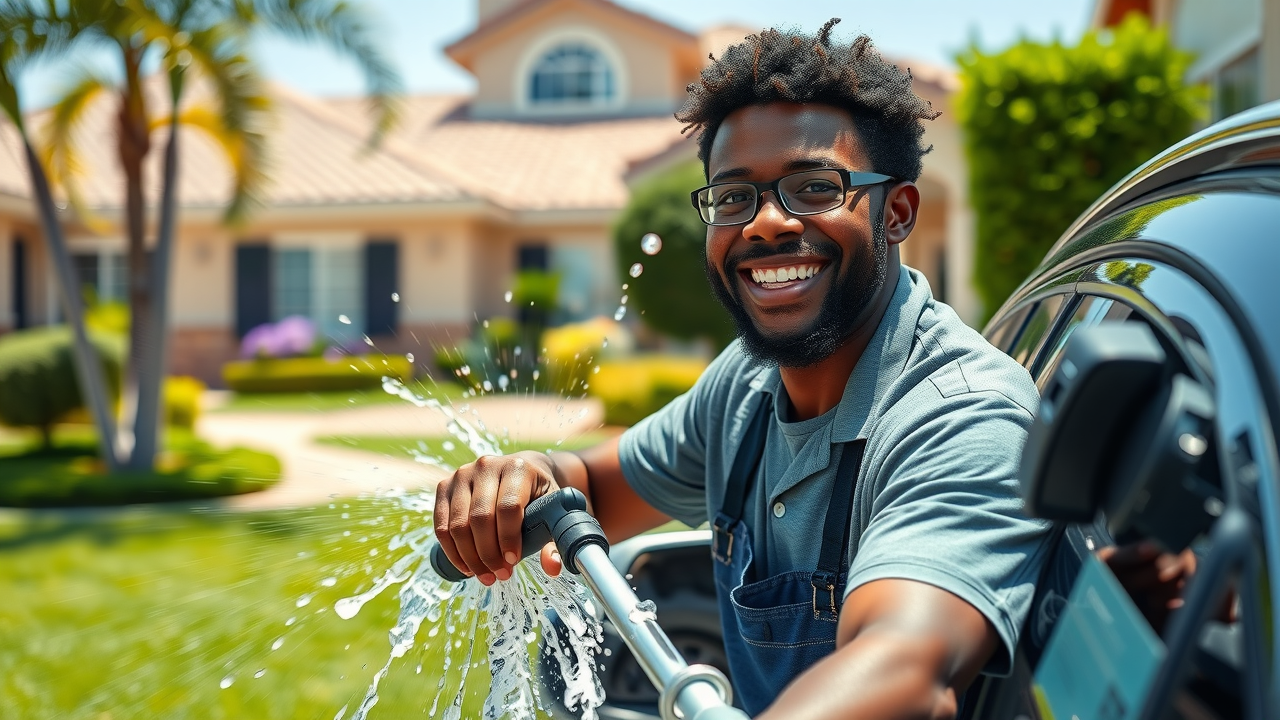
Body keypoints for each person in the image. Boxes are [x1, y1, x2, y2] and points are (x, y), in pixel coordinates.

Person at [434, 19, 1054, 720]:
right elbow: (592, 488)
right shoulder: (744, 389)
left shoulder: (961, 416)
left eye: (815, 187)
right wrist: (523, 479)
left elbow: (907, 669)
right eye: (733, 198)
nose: (763, 224)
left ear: (897, 212)